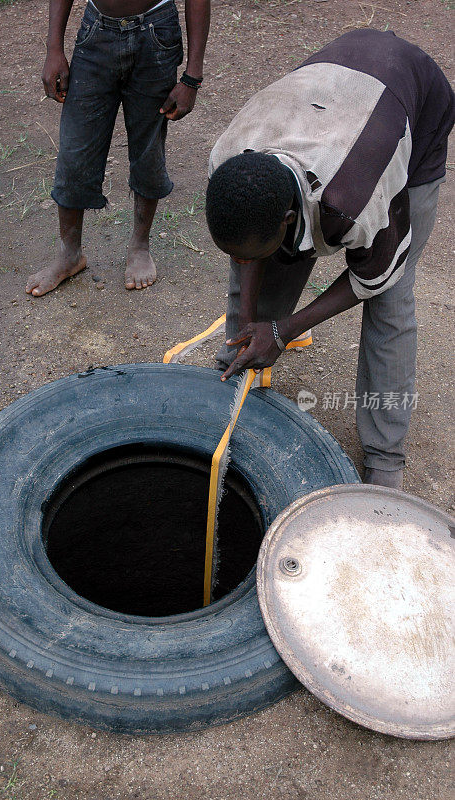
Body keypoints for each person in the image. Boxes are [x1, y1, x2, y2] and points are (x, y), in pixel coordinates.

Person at [206, 29, 454, 489]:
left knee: (392, 299)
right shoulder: (229, 162)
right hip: (330, 88)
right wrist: (248, 321)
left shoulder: (355, 201)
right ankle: (239, 368)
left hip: (410, 103)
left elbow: (371, 278)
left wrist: (283, 331)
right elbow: (250, 251)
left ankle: (385, 457)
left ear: (287, 217)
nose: (240, 262)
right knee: (269, 259)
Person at [26, 0, 210, 296]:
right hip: (97, 31)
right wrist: (53, 48)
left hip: (156, 35)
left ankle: (140, 245)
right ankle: (69, 253)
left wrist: (192, 77)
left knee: (148, 148)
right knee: (76, 148)